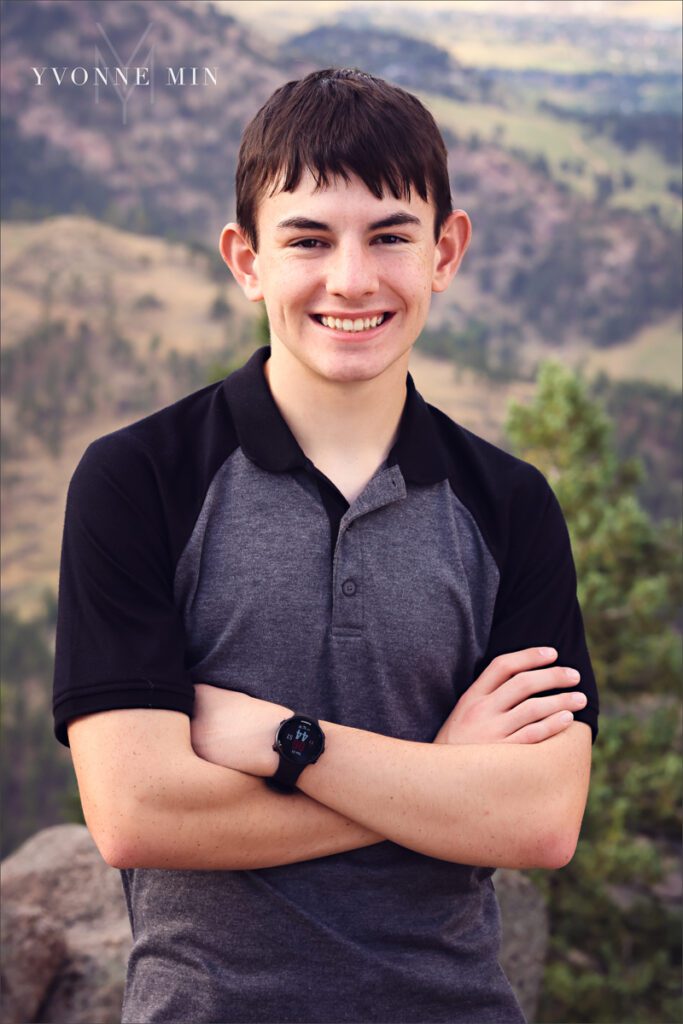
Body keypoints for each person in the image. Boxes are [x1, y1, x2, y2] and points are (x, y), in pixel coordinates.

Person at [53, 68, 599, 1024]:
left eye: (391, 234)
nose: (352, 278)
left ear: (446, 249)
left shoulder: (511, 506)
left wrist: (283, 743)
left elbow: (540, 821)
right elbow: (137, 815)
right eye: (307, 238)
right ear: (245, 259)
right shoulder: (137, 481)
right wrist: (438, 774)